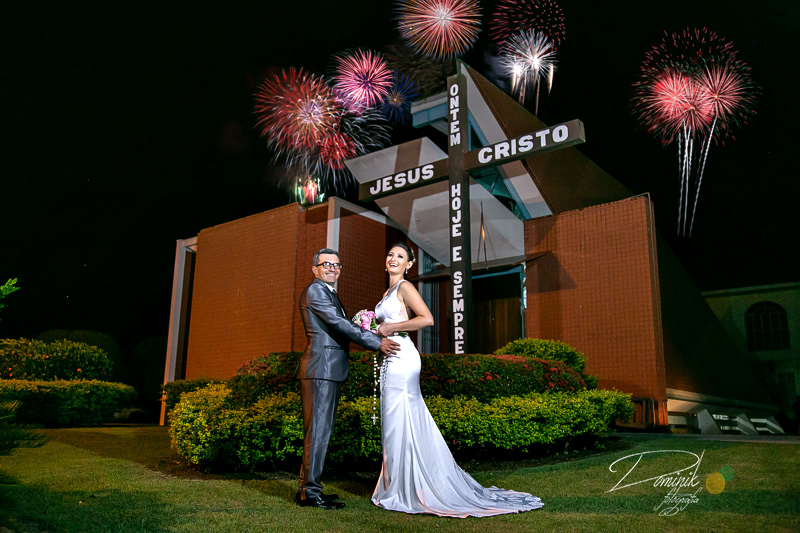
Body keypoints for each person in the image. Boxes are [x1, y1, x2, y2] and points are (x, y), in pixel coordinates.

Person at [371, 243, 544, 517]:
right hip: (389, 358)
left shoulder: (404, 287)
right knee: (396, 422)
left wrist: (392, 327)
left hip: (403, 358)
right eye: (390, 254)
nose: (393, 258)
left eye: (400, 256)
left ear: (409, 264)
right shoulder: (387, 293)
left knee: (401, 418)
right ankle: (399, 484)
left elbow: (426, 319)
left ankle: (408, 489)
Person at [296, 248, 400, 510]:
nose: (332, 268)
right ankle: (310, 491)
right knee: (318, 433)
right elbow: (339, 324)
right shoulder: (316, 291)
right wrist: (376, 341)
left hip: (327, 370)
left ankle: (308, 489)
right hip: (321, 369)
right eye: (326, 264)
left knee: (320, 432)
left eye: (336, 265)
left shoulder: (328, 292)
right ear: (315, 269)